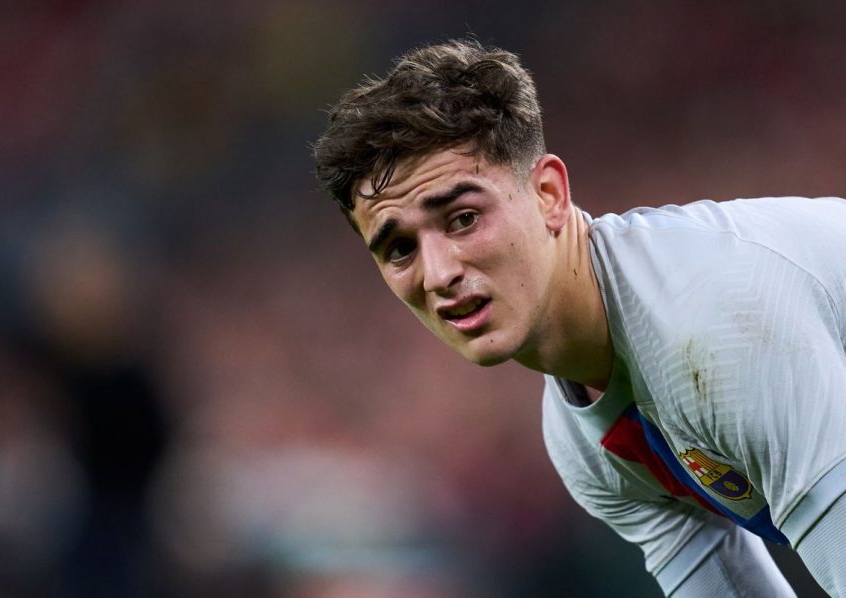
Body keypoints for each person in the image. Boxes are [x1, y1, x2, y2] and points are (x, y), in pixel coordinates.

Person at [312, 39, 846, 596]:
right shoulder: (584, 444)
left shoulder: (717, 323)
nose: (439, 273)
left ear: (549, 195)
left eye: (464, 218)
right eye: (400, 249)